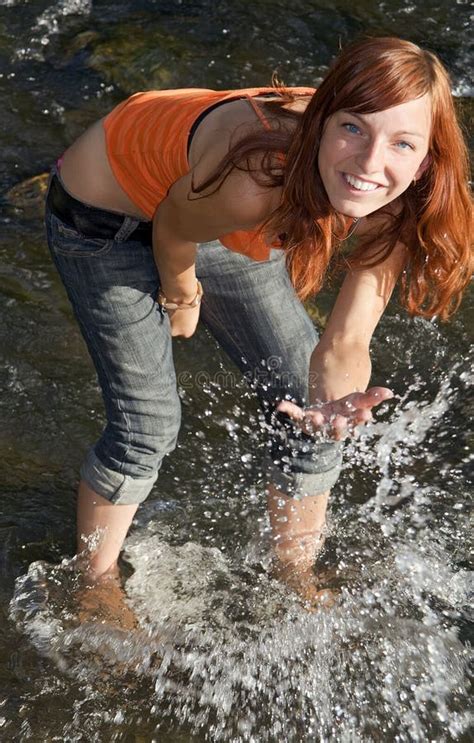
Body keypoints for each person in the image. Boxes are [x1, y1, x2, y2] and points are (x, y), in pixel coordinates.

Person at [44, 36, 471, 608]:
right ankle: (93, 586)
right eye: (353, 128)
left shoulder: (396, 198)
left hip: (206, 202)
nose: (371, 163)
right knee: (148, 425)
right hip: (109, 211)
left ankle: (293, 573)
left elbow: (345, 339)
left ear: (426, 159)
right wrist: (181, 294)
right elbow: (173, 223)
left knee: (306, 405)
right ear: (322, 120)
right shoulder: (258, 174)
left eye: (401, 143)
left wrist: (329, 407)